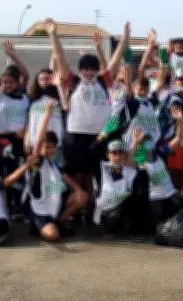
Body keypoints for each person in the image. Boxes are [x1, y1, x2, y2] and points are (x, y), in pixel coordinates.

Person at [49, 18, 131, 223]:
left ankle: (91, 211)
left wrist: (126, 39)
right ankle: (75, 213)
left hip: (98, 136)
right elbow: (60, 59)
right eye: (85, 68)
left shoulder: (103, 81)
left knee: (95, 174)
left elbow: (115, 59)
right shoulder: (73, 81)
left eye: (92, 68)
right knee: (76, 175)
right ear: (80, 69)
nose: (89, 72)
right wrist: (53, 34)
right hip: (75, 135)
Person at [4, 101, 89, 242]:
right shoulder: (37, 161)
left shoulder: (55, 164)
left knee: (83, 196)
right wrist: (47, 116)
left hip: (55, 208)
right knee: (53, 236)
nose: (48, 149)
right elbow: (37, 143)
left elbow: (67, 178)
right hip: (40, 209)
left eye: (51, 146)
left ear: (55, 148)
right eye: (46, 146)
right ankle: (41, 226)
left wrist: (78, 189)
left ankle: (58, 222)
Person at [129, 106, 183, 227]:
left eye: (149, 141)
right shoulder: (140, 163)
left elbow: (179, 138)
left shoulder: (160, 153)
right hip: (156, 201)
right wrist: (135, 142)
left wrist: (180, 121)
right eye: (145, 143)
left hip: (171, 195)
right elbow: (129, 163)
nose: (148, 144)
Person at [93, 139, 149, 240]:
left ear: (125, 155)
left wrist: (141, 166)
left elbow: (144, 185)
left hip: (122, 208)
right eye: (114, 153)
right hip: (106, 212)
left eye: (120, 153)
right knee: (114, 217)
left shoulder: (129, 172)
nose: (117, 157)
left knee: (141, 195)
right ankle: (106, 229)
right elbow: (91, 152)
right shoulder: (100, 170)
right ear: (108, 155)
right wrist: (102, 136)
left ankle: (135, 230)